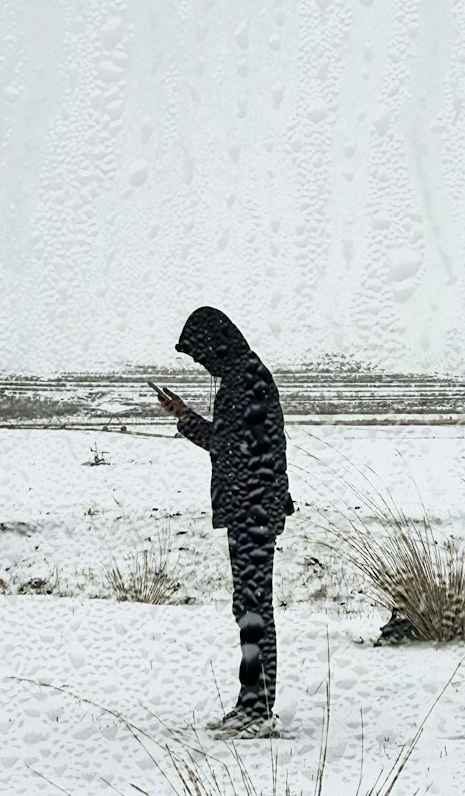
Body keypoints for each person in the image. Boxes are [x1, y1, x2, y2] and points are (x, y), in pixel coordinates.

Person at [154, 306, 294, 739]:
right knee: (249, 609)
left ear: (216, 345)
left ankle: (259, 708)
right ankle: (251, 703)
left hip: (252, 511)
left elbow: (232, 448)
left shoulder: (247, 379)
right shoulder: (241, 377)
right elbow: (228, 443)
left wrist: (188, 422)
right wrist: (184, 417)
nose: (203, 364)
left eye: (202, 355)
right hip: (249, 510)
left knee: (254, 611)